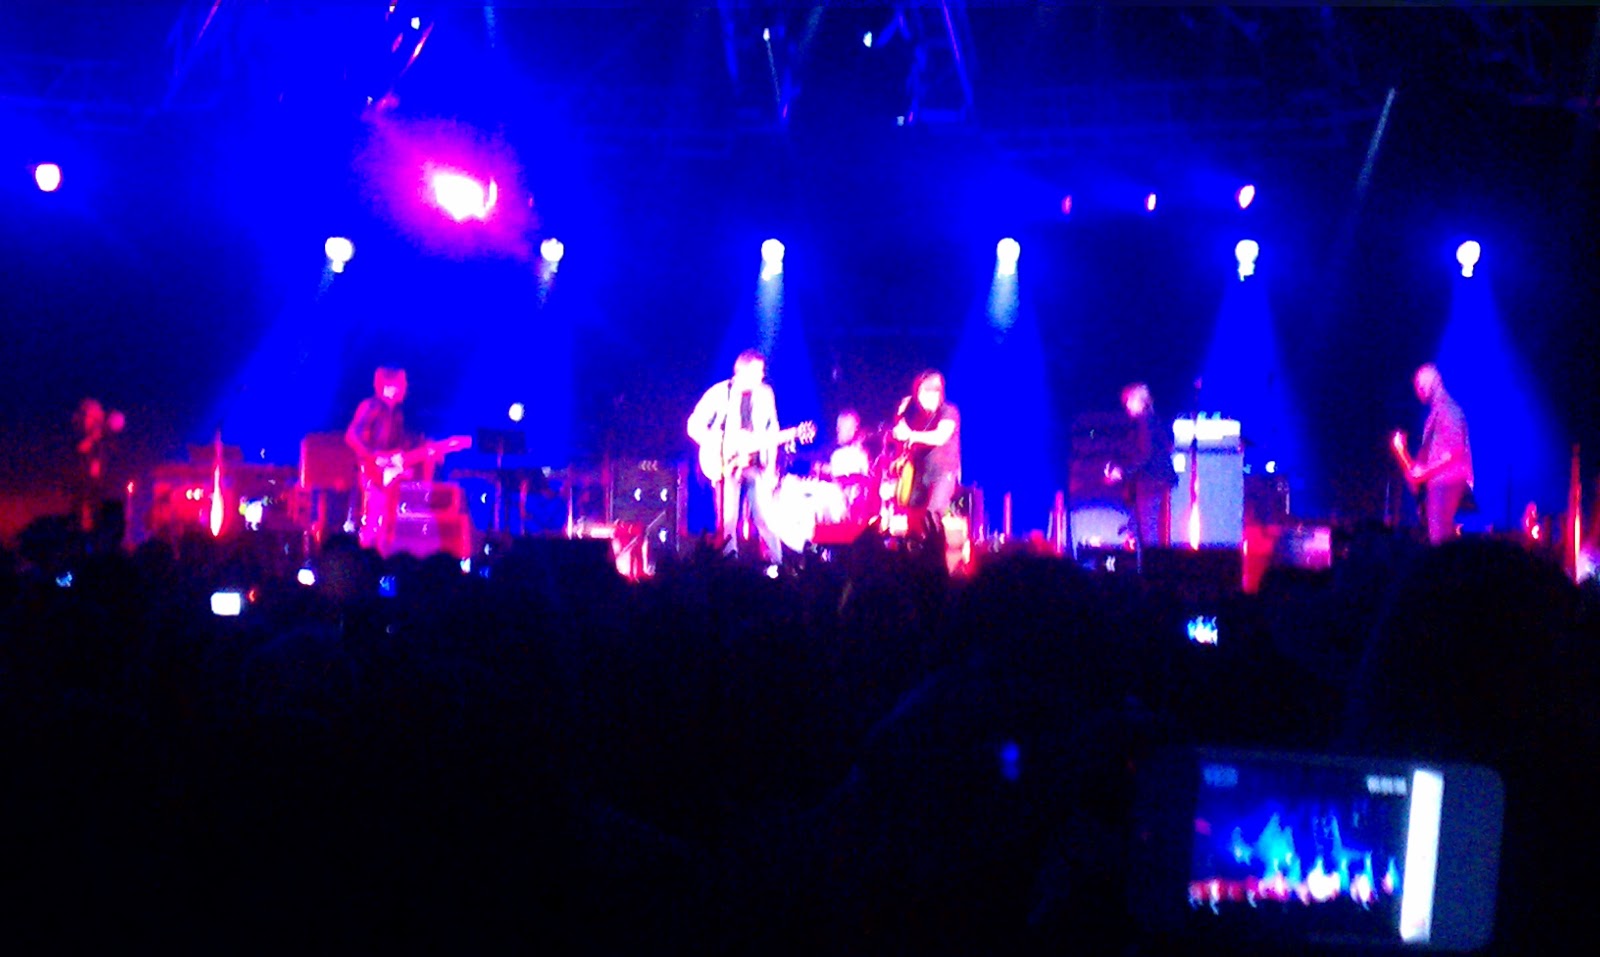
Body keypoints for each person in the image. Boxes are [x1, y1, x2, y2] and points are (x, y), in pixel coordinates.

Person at [687, 349, 785, 562]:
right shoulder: (720, 393)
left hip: (757, 465)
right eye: (758, 371)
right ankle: (730, 567)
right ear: (744, 370)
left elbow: (772, 431)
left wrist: (770, 468)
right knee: (728, 522)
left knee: (765, 519)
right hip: (726, 465)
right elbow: (693, 424)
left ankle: (778, 565)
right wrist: (714, 441)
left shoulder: (766, 394)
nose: (762, 375)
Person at [345, 367, 428, 554]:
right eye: (403, 383)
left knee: (387, 524)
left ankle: (382, 558)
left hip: (389, 475)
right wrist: (375, 456)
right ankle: (368, 559)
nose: (406, 387)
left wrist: (420, 449)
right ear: (390, 385)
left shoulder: (397, 414)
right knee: (373, 522)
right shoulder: (371, 406)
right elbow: (352, 435)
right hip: (372, 473)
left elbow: (398, 448)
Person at [1409, 363, 1474, 545]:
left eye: (1421, 384)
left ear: (1434, 381)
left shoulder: (1449, 410)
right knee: (1436, 538)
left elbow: (1455, 451)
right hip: (1438, 484)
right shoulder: (1435, 414)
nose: (1418, 390)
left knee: (1441, 542)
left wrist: (1425, 472)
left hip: (1447, 483)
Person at [890, 370, 961, 532]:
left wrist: (911, 435)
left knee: (933, 513)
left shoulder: (948, 411)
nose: (919, 399)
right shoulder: (920, 418)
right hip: (922, 475)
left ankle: (936, 547)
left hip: (943, 473)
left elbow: (940, 437)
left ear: (935, 393)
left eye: (921, 393)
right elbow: (912, 443)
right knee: (913, 516)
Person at [1113, 382, 1175, 550]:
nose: (1126, 405)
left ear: (1139, 401)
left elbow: (1145, 454)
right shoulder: (1151, 421)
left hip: (1151, 481)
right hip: (1154, 480)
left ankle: (1151, 563)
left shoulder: (1145, 422)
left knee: (1148, 529)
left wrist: (1123, 472)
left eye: (1129, 401)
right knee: (1142, 526)